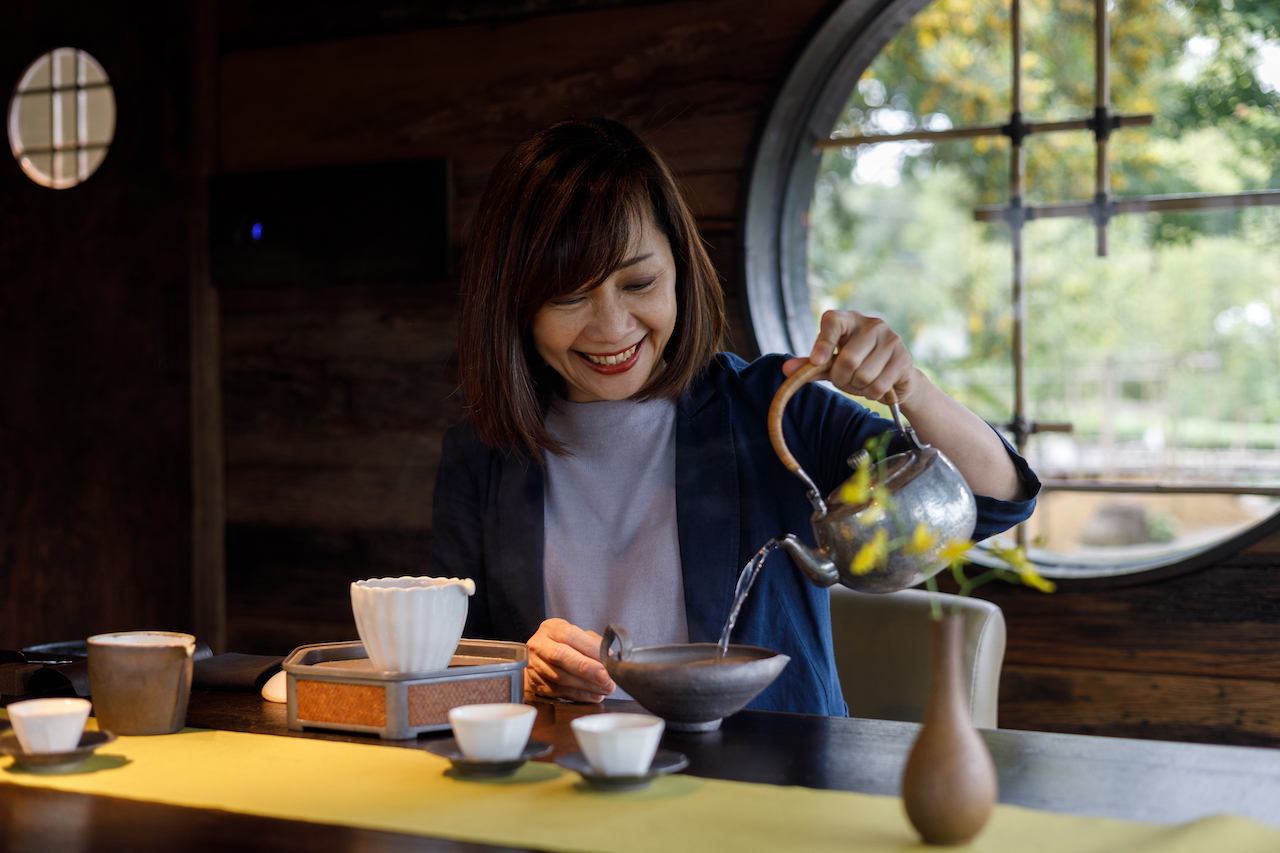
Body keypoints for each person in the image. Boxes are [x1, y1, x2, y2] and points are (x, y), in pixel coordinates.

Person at [427, 117, 1038, 716]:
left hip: (771, 789)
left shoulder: (769, 410)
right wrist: (522, 673)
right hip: (567, 788)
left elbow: (993, 499)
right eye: (569, 296)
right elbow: (450, 663)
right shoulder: (482, 455)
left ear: (679, 269)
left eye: (639, 283)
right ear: (514, 305)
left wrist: (912, 388)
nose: (613, 327)